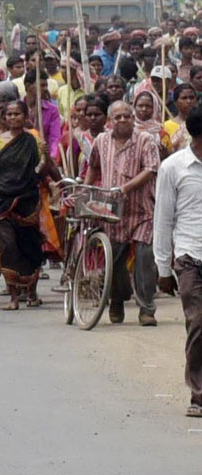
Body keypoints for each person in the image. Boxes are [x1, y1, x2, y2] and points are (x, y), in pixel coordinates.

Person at [85, 100, 160, 325]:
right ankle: (116, 300)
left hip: (142, 211)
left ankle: (147, 310)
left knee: (145, 259)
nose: (123, 120)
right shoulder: (101, 141)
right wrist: (86, 190)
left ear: (133, 117)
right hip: (113, 213)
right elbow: (93, 166)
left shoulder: (145, 140)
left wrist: (125, 188)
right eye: (118, 117)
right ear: (110, 121)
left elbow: (151, 169)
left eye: (127, 115)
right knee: (115, 262)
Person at [0, 101, 58, 309]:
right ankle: (14, 297)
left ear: (25, 116)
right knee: (8, 248)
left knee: (30, 246)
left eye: (17, 114)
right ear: (4, 118)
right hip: (0, 200)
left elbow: (40, 171)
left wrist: (45, 156)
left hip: (27, 200)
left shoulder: (33, 140)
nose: (13, 117)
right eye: (9, 114)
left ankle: (31, 292)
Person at [153, 104, 202, 418]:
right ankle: (199, 393)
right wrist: (162, 267)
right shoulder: (173, 167)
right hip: (189, 256)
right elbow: (163, 218)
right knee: (198, 323)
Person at [163, 83, 197, 152]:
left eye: (191, 97)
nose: (189, 101)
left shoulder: (199, 123)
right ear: (175, 102)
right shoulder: (166, 126)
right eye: (184, 98)